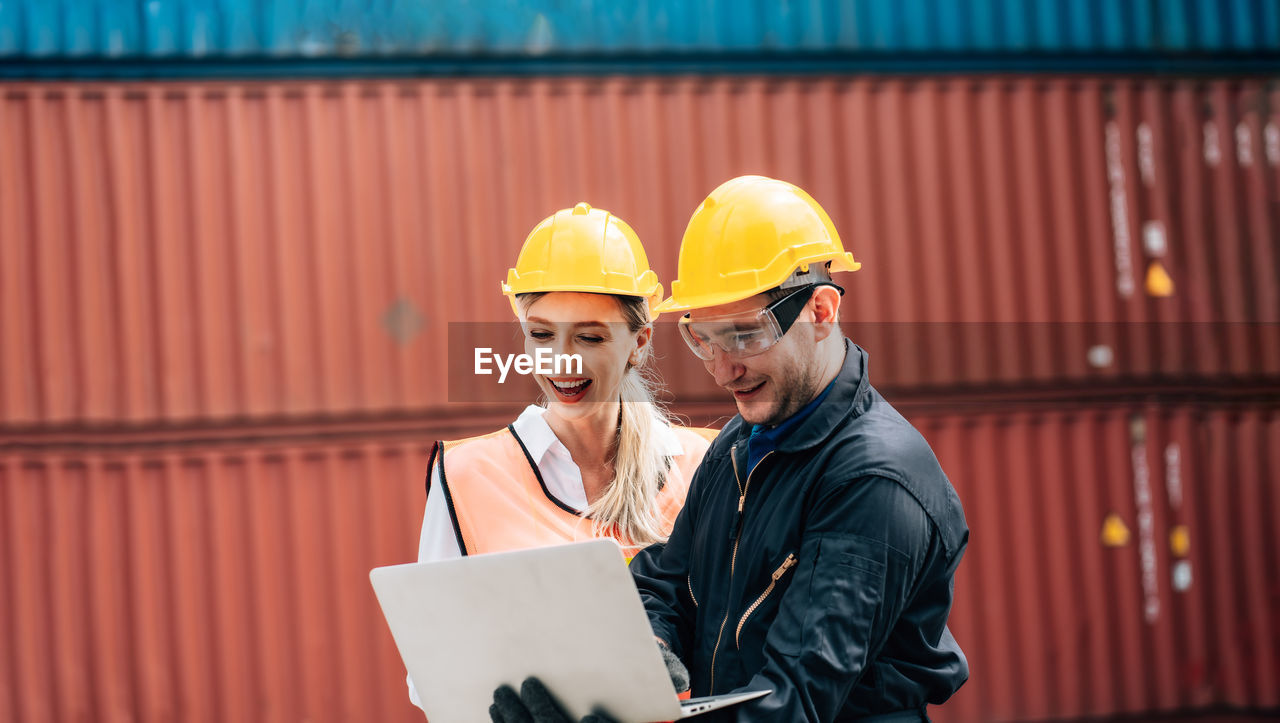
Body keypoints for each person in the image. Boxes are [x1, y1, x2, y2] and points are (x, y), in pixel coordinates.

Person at [626, 175, 971, 722]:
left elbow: (792, 702)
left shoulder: (874, 480)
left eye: (744, 335)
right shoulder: (739, 448)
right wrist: (649, 653)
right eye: (704, 339)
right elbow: (668, 585)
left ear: (821, 311)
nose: (722, 369)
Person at [409, 203, 712, 713]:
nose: (560, 360)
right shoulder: (465, 477)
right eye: (541, 334)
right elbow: (431, 675)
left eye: (590, 337)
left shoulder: (702, 465)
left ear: (639, 342)